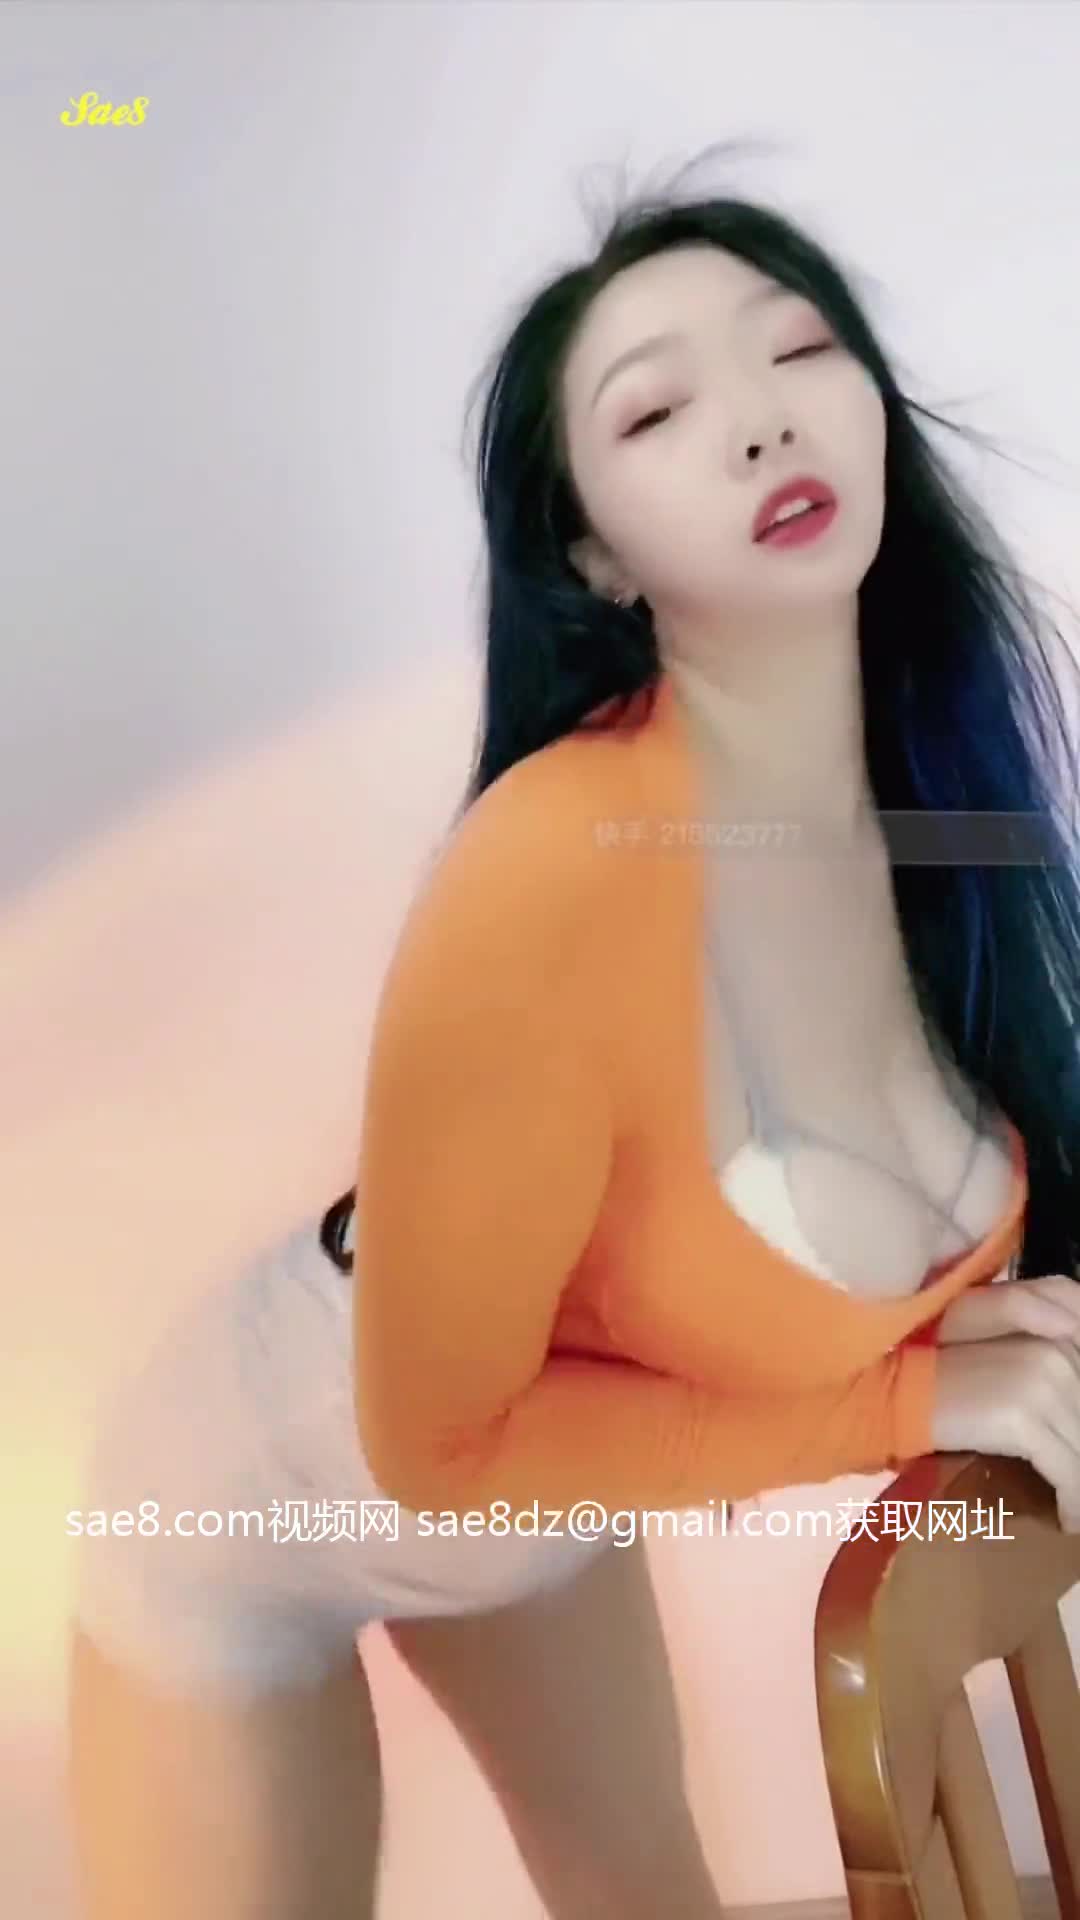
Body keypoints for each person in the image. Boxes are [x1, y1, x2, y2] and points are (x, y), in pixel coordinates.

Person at [67, 142, 1080, 1919]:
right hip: (262, 1496)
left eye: (800, 348)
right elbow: (437, 1447)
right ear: (597, 553)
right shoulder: (552, 875)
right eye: (659, 409)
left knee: (648, 1890)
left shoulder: (943, 800)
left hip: (543, 1481)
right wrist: (906, 1395)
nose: (762, 420)